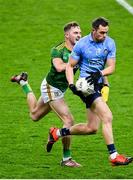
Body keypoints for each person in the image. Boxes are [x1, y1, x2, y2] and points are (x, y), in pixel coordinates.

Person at [46, 17, 133, 166]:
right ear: (93, 30)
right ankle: (114, 156)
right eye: (101, 32)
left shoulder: (110, 43)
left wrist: (100, 75)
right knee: (107, 116)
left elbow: (111, 67)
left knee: (91, 128)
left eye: (106, 32)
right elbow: (69, 66)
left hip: (99, 83)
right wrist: (72, 84)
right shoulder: (82, 44)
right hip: (86, 85)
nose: (104, 35)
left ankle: (57, 133)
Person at [10, 22, 83, 167]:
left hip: (58, 89)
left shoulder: (81, 49)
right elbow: (59, 66)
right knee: (68, 121)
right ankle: (66, 159)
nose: (79, 35)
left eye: (80, 32)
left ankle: (23, 82)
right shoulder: (58, 50)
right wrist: (72, 63)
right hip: (51, 88)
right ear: (67, 35)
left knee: (34, 115)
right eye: (75, 33)